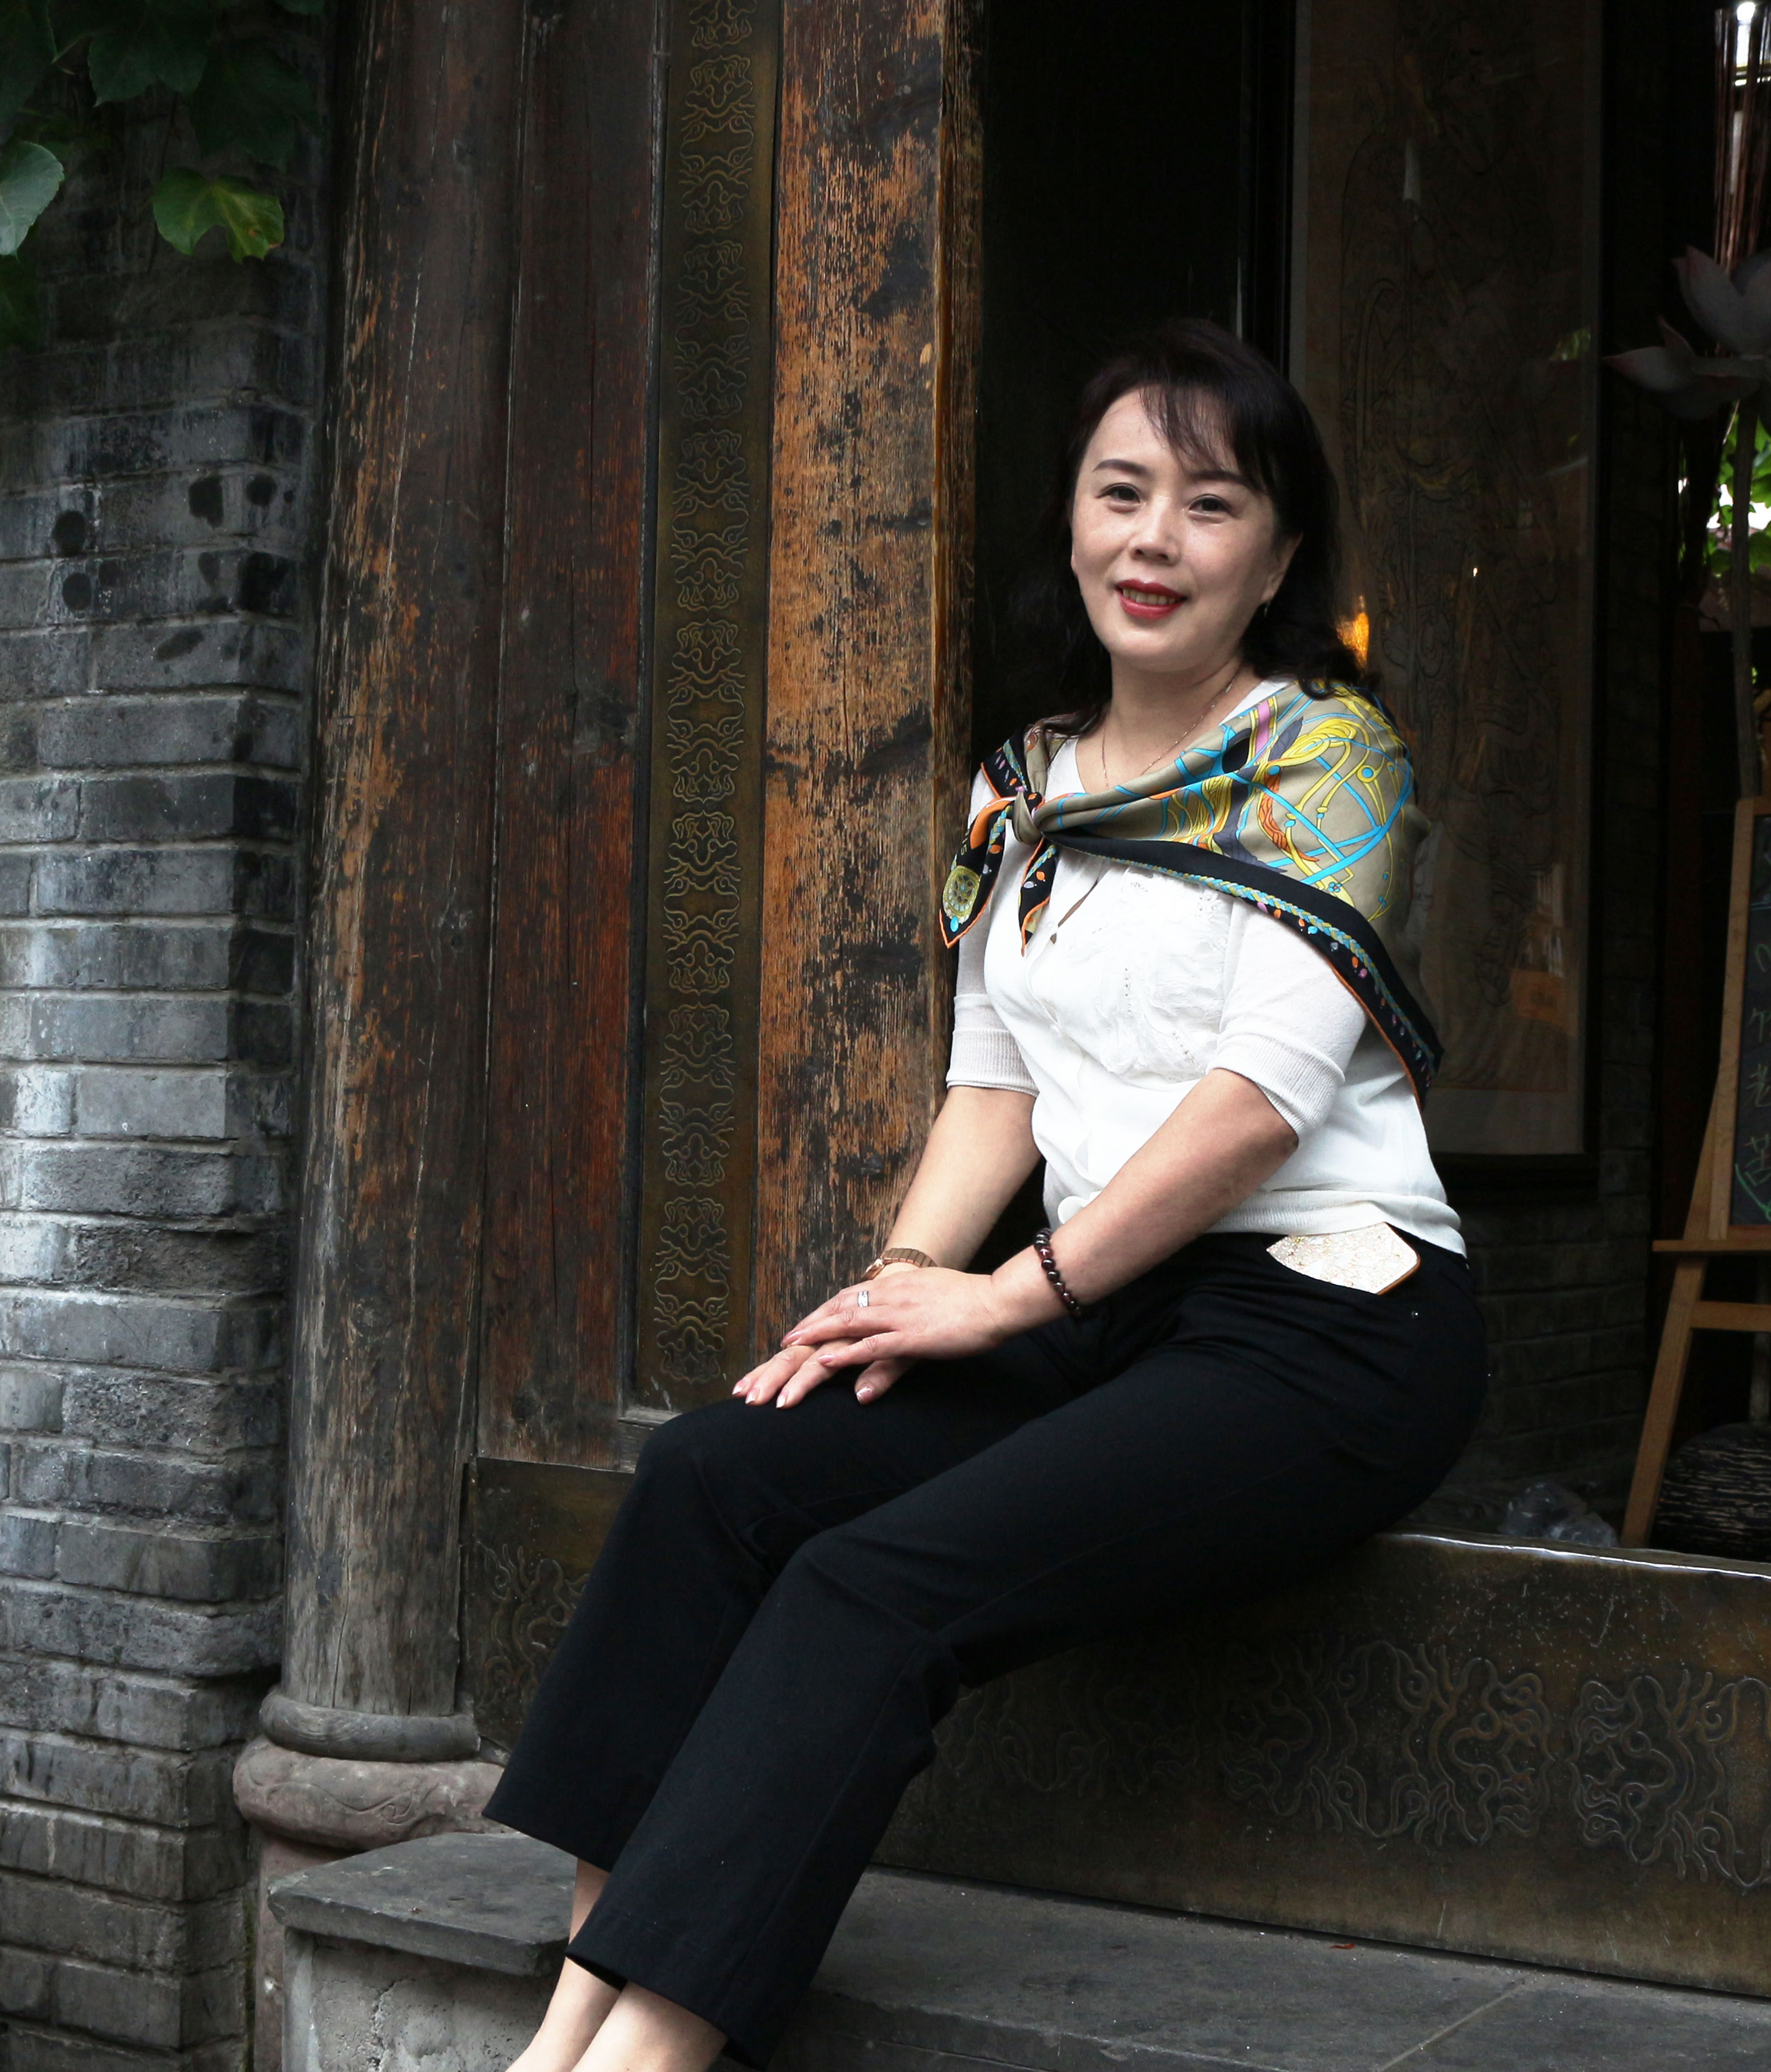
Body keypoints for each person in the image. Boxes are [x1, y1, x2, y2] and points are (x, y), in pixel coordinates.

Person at [482, 319, 1490, 2072]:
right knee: (717, 1472)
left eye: (1210, 505)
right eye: (1122, 493)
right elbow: (995, 1093)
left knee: (873, 1586)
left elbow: (1256, 1113)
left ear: (1277, 560)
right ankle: (569, 2013)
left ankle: (644, 2063)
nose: (1154, 539)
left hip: (1327, 1321)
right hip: (1106, 1307)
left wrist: (1008, 1299)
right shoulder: (1021, 789)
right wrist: (895, 1287)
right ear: (1073, 521)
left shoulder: (1328, 762)